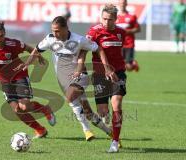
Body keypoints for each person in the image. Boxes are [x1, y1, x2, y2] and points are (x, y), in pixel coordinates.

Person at [15, 16, 112, 141]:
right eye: (53, 30)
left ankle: (86, 130)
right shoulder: (50, 39)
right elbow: (37, 49)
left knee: (70, 97)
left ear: (66, 28)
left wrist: (106, 67)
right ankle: (109, 131)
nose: (55, 33)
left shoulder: (79, 40)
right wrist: (28, 62)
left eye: (57, 30)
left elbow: (98, 48)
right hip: (64, 80)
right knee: (87, 112)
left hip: (79, 76)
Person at [0, 21, 56, 139]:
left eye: (1, 36)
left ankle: (45, 109)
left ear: (5, 34)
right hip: (5, 81)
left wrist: (38, 56)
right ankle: (40, 130)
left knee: (24, 107)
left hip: (19, 75)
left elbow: (29, 48)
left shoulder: (13, 44)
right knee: (17, 110)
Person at [86, 4, 127, 152]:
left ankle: (115, 141)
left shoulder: (121, 32)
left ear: (116, 19)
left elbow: (122, 52)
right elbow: (84, 49)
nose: (106, 22)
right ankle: (111, 130)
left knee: (117, 103)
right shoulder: (94, 32)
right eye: (104, 19)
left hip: (118, 73)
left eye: (110, 19)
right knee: (103, 112)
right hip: (99, 75)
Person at [116, 0, 141, 72]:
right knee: (119, 65)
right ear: (119, 4)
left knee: (129, 68)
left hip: (129, 43)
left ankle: (133, 64)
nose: (122, 4)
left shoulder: (132, 16)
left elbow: (138, 29)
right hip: (118, 44)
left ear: (126, 4)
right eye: (121, 3)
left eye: (123, 3)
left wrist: (127, 31)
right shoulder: (115, 17)